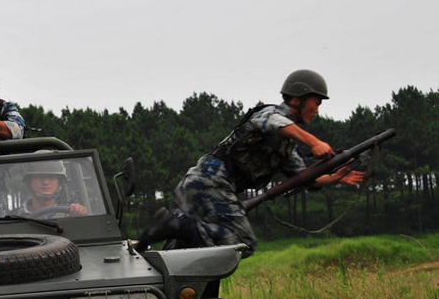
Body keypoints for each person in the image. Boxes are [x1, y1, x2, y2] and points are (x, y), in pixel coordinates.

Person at [136, 70, 365, 257]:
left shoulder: (287, 148)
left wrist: (336, 178)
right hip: (211, 182)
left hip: (201, 185)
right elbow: (274, 123)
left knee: (189, 249)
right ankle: (177, 226)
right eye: (315, 103)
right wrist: (314, 142)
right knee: (242, 243)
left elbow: (305, 177)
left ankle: (164, 240)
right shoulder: (270, 114)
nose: (317, 110)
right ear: (298, 99)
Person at [11, 157, 89, 219]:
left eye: (51, 177)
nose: (45, 182)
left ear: (59, 182)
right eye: (40, 177)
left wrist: (80, 214)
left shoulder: (69, 215)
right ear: (29, 182)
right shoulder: (13, 217)